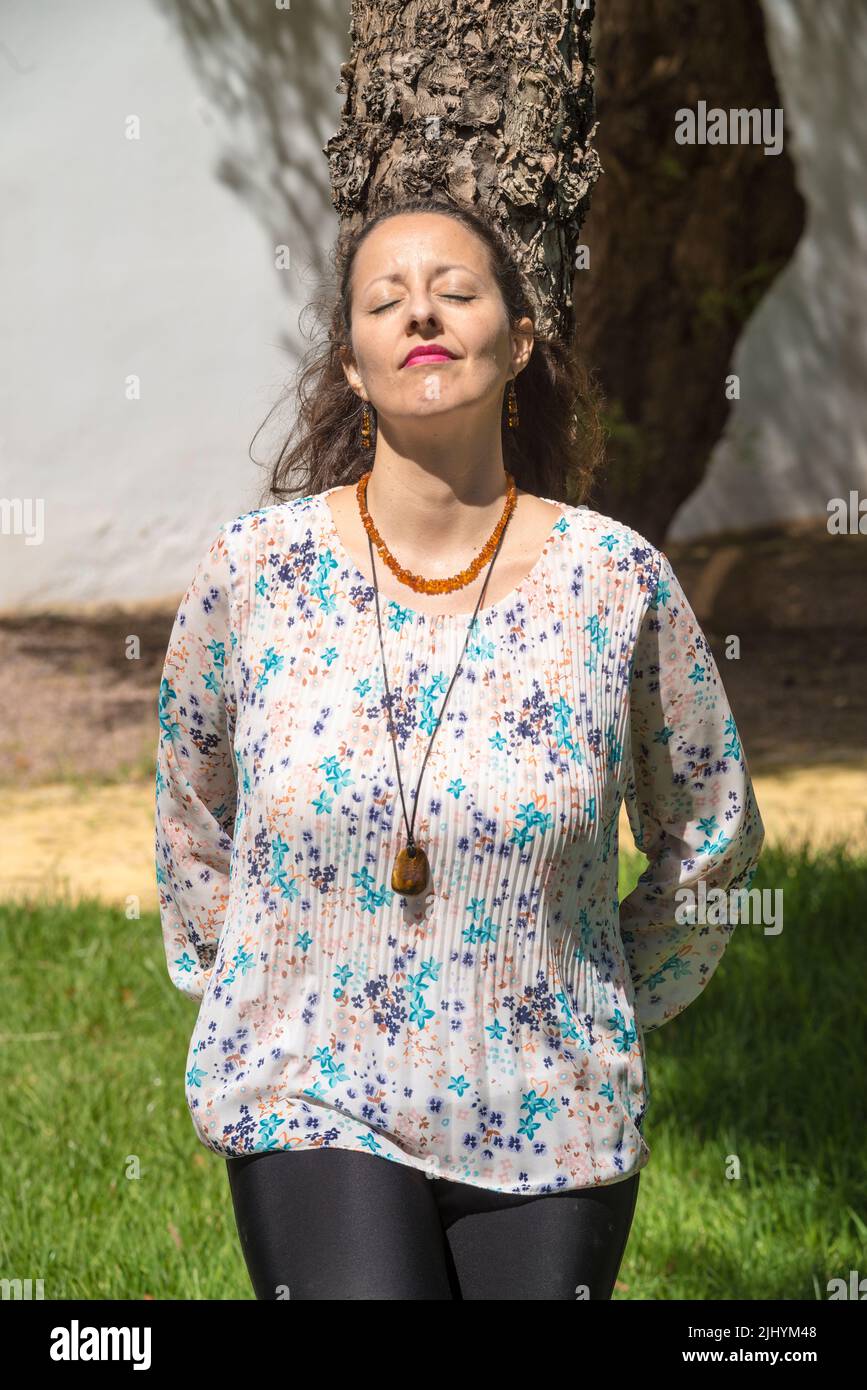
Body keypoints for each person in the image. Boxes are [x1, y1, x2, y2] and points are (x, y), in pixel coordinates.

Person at [155, 196, 765, 1300]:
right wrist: (251, 984)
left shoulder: (615, 581)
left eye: (456, 290)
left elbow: (711, 825)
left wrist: (614, 989)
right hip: (312, 1086)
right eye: (385, 300)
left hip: (552, 1094)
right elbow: (192, 811)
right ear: (351, 362)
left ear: (519, 338)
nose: (420, 313)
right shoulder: (254, 574)